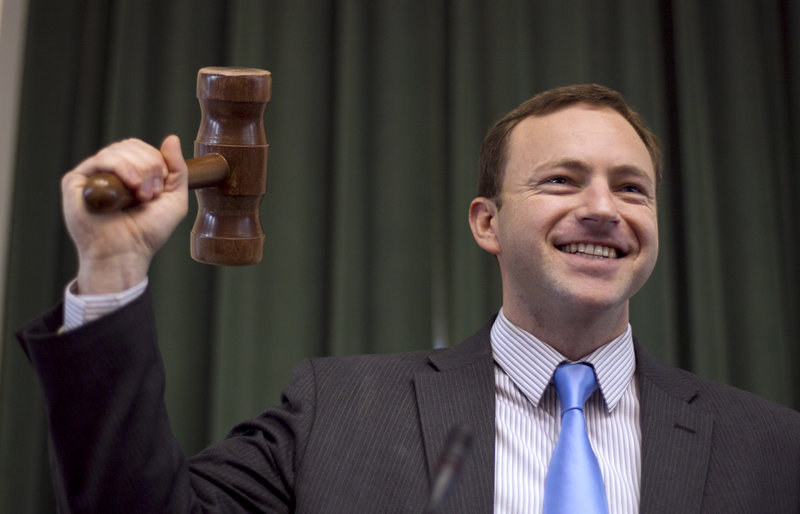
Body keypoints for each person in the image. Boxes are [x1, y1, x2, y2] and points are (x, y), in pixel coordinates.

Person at [17, 84, 800, 513]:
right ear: (487, 223)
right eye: (561, 180)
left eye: (632, 188)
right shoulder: (338, 410)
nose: (603, 207)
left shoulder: (773, 449)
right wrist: (111, 268)